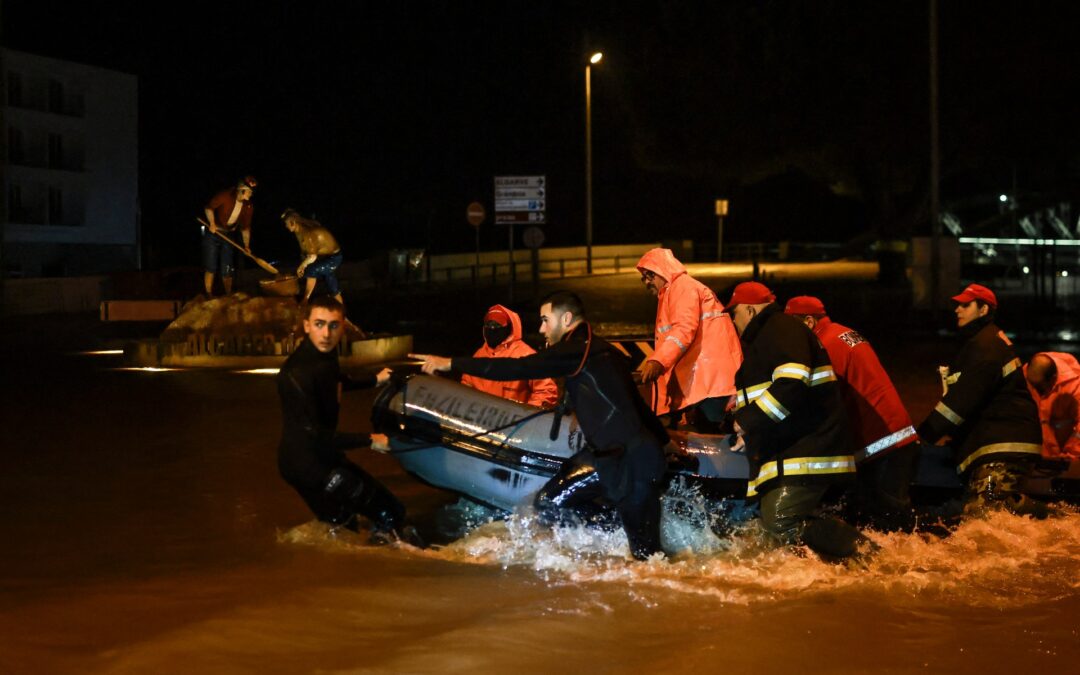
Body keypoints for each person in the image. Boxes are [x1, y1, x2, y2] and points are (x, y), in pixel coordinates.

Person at [411, 291, 669, 560]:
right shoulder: (600, 350)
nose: (542, 329)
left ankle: (623, 544)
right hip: (604, 456)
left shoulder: (577, 350)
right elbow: (636, 404)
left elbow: (518, 368)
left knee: (648, 558)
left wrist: (450, 363)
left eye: (546, 320)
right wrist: (665, 440)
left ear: (566, 319)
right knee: (548, 503)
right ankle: (609, 542)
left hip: (631, 461)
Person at [726, 282, 864, 560]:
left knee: (780, 521)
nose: (733, 321)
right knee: (773, 527)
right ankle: (841, 568)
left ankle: (867, 555)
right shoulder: (774, 334)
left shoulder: (779, 329)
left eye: (734, 313)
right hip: (795, 449)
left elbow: (792, 383)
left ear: (750, 310)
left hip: (806, 449)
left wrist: (748, 421)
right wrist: (749, 432)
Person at [277, 295, 418, 544]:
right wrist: (370, 439)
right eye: (319, 324)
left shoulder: (323, 356)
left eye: (333, 325)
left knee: (344, 528)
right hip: (308, 464)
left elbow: (334, 383)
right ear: (306, 325)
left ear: (343, 327)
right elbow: (314, 435)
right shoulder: (296, 372)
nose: (326, 334)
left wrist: (375, 380)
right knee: (391, 513)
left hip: (314, 457)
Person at [784, 296, 919, 530]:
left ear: (808, 321)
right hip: (895, 436)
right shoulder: (843, 333)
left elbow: (820, 400)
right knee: (886, 523)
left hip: (881, 443)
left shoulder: (825, 346)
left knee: (887, 524)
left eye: (790, 328)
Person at [916, 284, 1044, 516]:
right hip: (1002, 447)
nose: (957, 310)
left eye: (966, 305)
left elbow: (958, 404)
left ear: (983, 310)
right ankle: (1045, 515)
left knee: (983, 517)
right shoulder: (987, 342)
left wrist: (922, 436)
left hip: (1000, 450)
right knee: (995, 516)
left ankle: (1052, 517)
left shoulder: (985, 347)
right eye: (957, 305)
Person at [635, 248, 743, 430]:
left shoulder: (682, 288)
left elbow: (684, 329)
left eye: (649, 275)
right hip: (709, 381)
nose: (646, 281)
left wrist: (658, 361)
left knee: (712, 435)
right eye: (643, 277)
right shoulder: (676, 291)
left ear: (662, 270)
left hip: (710, 383)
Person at [460, 304, 559, 408]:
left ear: (508, 328)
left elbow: (546, 390)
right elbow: (465, 388)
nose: (492, 328)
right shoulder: (478, 355)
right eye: (489, 324)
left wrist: (525, 413)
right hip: (483, 416)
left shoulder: (526, 355)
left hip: (513, 417)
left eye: (497, 325)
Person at [202, 175, 257, 296]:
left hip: (228, 234)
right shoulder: (225, 195)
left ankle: (228, 294)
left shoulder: (248, 206)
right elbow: (209, 208)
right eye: (249, 191)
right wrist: (212, 223)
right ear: (242, 189)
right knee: (211, 265)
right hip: (214, 232)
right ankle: (208, 294)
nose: (251, 194)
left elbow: (245, 228)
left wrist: (246, 246)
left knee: (227, 266)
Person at [281, 208, 345, 304]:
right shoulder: (298, 232)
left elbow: (312, 257)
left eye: (286, 224)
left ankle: (305, 300)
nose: (286, 226)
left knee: (311, 270)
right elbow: (305, 251)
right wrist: (303, 264)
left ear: (293, 223)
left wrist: (302, 266)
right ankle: (340, 304)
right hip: (323, 257)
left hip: (333, 258)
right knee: (329, 280)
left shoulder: (307, 233)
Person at [1024, 352, 1080, 460]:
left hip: (1065, 457)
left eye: (1039, 387)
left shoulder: (1076, 385)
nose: (1035, 390)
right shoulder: (1025, 375)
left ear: (1053, 379)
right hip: (1034, 457)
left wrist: (1070, 456)